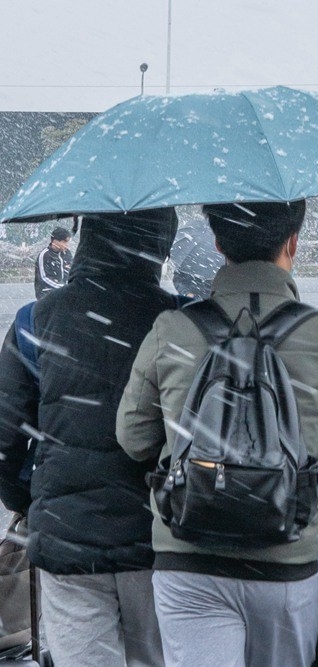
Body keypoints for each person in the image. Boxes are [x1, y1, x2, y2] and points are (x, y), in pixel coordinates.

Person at [116, 200, 318, 667]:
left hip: (190, 558)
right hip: (286, 560)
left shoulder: (173, 329)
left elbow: (133, 438)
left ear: (217, 243)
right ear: (293, 240)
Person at [0, 208, 181, 667]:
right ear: (159, 244)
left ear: (87, 240)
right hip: (158, 534)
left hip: (67, 536)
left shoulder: (33, 323)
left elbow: (4, 437)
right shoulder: (180, 323)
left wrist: (30, 497)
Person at [33, 226, 73, 299]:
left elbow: (72, 271)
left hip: (64, 292)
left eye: (68, 242)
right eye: (64, 242)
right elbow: (44, 278)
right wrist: (62, 287)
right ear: (54, 241)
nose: (67, 245)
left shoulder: (67, 253)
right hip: (46, 293)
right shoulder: (45, 255)